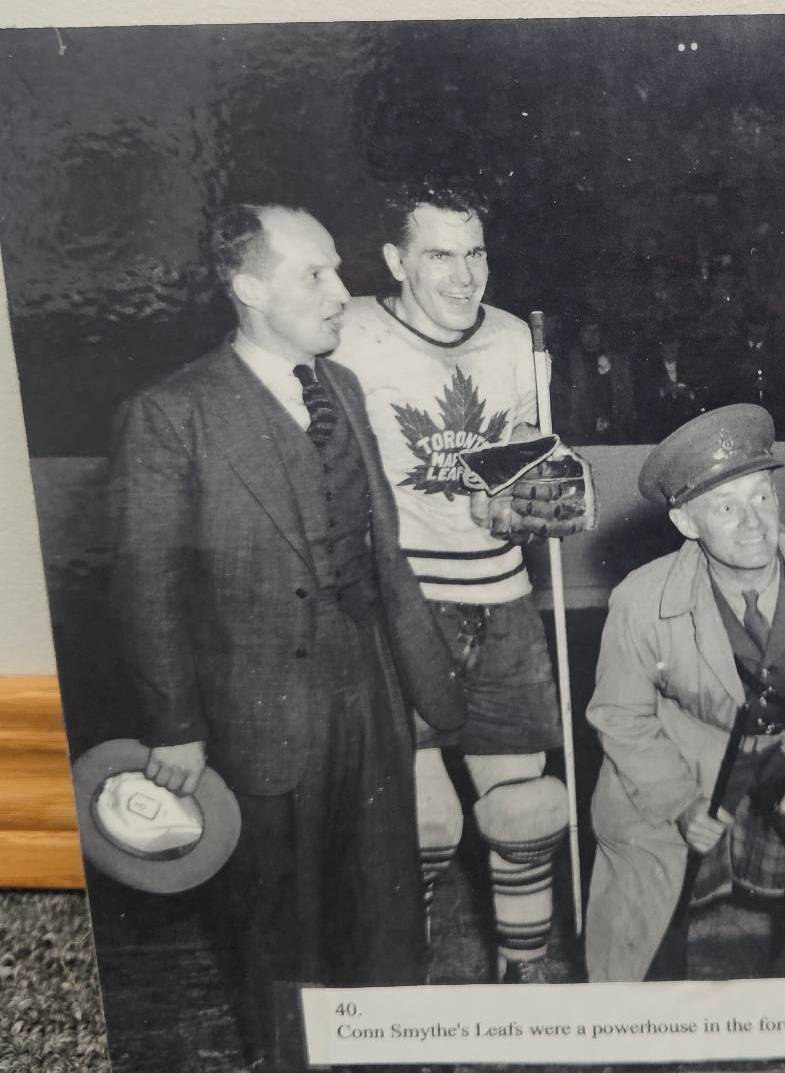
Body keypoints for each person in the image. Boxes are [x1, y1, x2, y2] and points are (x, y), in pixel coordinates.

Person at [111, 203, 465, 1070]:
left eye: (337, 269)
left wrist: (430, 690)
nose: (342, 291)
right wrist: (175, 726)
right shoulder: (171, 414)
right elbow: (146, 587)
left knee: (384, 915)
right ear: (249, 287)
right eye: (316, 273)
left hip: (369, 686)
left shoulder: (340, 388)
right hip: (256, 711)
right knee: (280, 933)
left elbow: (383, 550)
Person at [330, 182, 582, 984]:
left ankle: (524, 974)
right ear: (395, 260)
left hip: (502, 596)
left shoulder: (511, 335)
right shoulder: (348, 333)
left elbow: (524, 442)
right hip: (401, 600)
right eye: (440, 254)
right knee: (422, 818)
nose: (464, 275)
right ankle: (407, 976)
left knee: (527, 807)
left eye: (475, 253)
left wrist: (534, 483)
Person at [584, 404, 785, 982]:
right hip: (682, 750)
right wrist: (678, 802)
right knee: (644, 919)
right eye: (726, 507)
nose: (753, 522)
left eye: (762, 496)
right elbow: (621, 716)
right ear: (687, 523)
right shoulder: (641, 601)